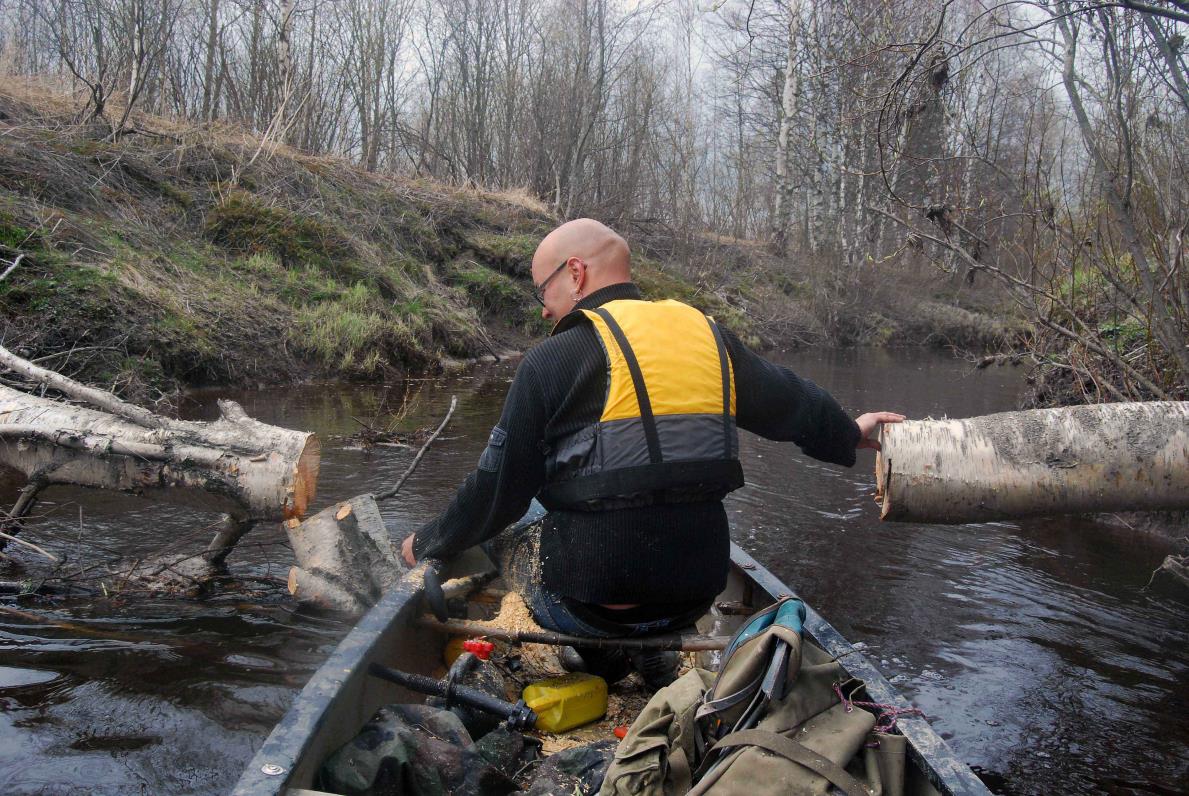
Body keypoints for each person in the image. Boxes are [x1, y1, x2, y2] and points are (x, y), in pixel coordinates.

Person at [402, 218, 904, 686]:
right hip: (694, 594)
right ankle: (652, 648)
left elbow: (497, 491)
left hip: (594, 606)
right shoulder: (708, 338)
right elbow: (793, 404)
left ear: (575, 273)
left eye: (543, 289)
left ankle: (604, 652)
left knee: (512, 518)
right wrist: (847, 433)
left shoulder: (552, 359)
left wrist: (427, 544)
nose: (542, 307)